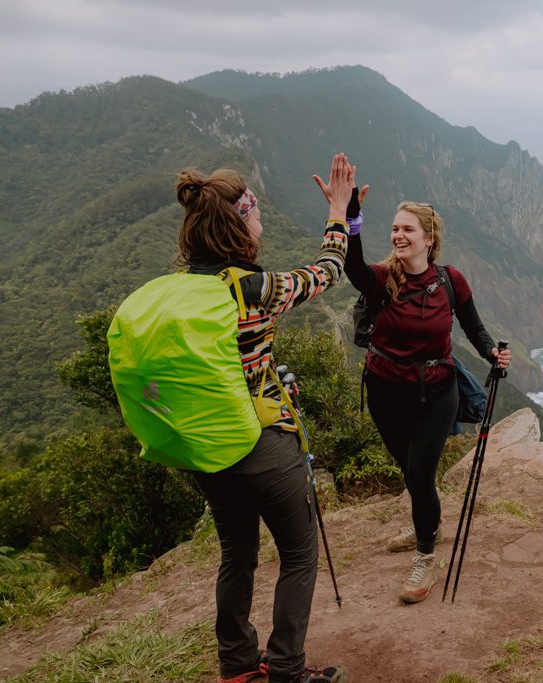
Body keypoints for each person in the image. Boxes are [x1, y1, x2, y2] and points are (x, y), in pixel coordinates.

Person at [176, 154, 355, 683]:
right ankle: (286, 670)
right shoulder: (254, 289)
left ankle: (236, 664)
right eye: (254, 212)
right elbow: (328, 271)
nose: (261, 219)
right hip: (261, 445)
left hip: (206, 447)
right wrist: (339, 212)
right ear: (238, 224)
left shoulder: (183, 289)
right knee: (299, 554)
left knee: (237, 554)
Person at [345, 199, 511, 604]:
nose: (398, 236)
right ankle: (429, 526)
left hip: (437, 392)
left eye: (408, 230)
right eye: (395, 229)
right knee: (410, 470)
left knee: (420, 474)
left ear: (428, 239)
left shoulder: (451, 281)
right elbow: (354, 269)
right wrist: (351, 222)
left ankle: (425, 556)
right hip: (385, 393)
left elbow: (473, 327)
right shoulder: (383, 279)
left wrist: (492, 352)